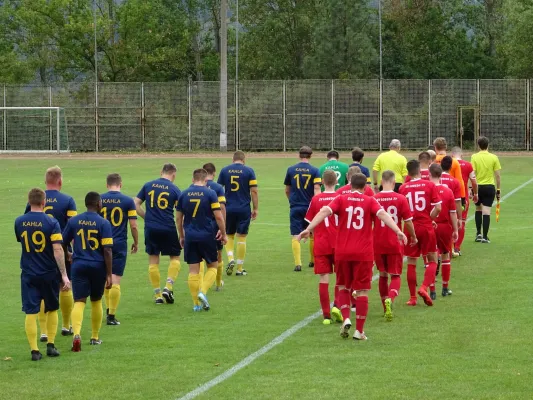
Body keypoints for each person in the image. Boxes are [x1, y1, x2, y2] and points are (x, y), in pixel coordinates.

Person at [299, 173, 407, 341]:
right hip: (363, 253)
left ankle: (346, 317)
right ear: (365, 187)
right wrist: (398, 231)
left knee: (343, 287)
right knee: (362, 291)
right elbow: (383, 215)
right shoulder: (370, 200)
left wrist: (309, 228)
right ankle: (359, 331)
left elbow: (325, 211)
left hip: (342, 252)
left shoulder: (341, 199)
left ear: (349, 186)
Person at [15, 188, 70, 361]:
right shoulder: (51, 222)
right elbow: (57, 249)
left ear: (29, 201)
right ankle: (51, 346)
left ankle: (34, 351)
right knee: (52, 308)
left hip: (28, 273)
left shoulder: (19, 221)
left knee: (30, 312)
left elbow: (21, 241)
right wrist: (64, 274)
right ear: (44, 202)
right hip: (48, 272)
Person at [24, 166, 77, 341]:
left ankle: (44, 331)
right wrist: (72, 250)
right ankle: (66, 325)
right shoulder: (68, 200)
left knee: (40, 292)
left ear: (45, 182)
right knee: (64, 286)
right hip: (60, 250)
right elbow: (72, 228)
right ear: (60, 181)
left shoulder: (33, 202)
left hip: (37, 254)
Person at [62, 192, 113, 352]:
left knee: (79, 301)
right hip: (97, 266)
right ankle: (94, 337)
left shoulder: (74, 221)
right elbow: (107, 251)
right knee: (96, 300)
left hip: (79, 265)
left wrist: (68, 254)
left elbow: (62, 242)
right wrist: (109, 274)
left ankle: (76, 334)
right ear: (98, 204)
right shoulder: (103, 223)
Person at [176, 169, 227, 311]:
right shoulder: (210, 193)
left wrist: (181, 235)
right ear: (205, 180)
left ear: (193, 179)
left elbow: (179, 218)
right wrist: (223, 233)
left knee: (193, 270)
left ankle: (196, 305)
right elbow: (218, 216)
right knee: (213, 266)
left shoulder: (183, 194)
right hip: (206, 235)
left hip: (190, 236)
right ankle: (202, 292)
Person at [134, 163, 182, 304]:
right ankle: (168, 286)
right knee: (175, 257)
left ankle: (157, 295)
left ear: (161, 172)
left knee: (153, 259)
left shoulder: (148, 185)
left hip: (151, 227)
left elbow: (135, 203)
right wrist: (182, 233)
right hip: (168, 227)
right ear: (173, 175)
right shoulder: (174, 189)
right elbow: (180, 213)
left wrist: (146, 217)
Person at [373, 171, 416, 321]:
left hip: (377, 242)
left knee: (383, 275)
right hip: (394, 241)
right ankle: (390, 298)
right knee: (396, 275)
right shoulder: (400, 198)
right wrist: (414, 237)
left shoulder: (374, 198)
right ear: (394, 181)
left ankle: (385, 309)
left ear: (381, 181)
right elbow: (408, 221)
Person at [399, 160, 442, 307]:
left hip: (410, 227)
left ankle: (412, 298)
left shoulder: (403, 188)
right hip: (425, 226)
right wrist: (429, 219)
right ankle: (423, 288)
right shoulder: (429, 185)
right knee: (432, 259)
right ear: (419, 171)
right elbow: (438, 208)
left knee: (411, 261)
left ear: (408, 173)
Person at [100, 173, 139, 325]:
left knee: (105, 277)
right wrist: (136, 242)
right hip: (119, 242)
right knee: (116, 279)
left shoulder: (100, 199)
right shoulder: (128, 201)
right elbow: (134, 225)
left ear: (107, 184)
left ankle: (108, 308)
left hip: (102, 243)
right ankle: (111, 315)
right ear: (120, 184)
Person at [304, 170, 342, 325]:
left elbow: (310, 222)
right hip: (339, 244)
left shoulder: (316, 199)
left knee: (323, 279)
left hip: (321, 243)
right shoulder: (341, 198)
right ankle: (337, 306)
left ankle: (326, 316)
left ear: (323, 182)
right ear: (336, 182)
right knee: (341, 278)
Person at [217, 151, 258, 276]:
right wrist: (255, 208)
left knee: (228, 235)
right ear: (243, 160)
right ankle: (239, 269)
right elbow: (254, 191)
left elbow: (218, 189)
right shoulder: (249, 171)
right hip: (244, 208)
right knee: (242, 236)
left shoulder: (225, 170)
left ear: (233, 159)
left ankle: (230, 259)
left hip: (228, 208)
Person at [284, 146, 322, 272]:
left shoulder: (290, 169)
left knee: (295, 235)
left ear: (299, 155)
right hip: (310, 207)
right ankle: (312, 261)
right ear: (310, 156)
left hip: (295, 206)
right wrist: (316, 204)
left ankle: (298, 264)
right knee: (312, 234)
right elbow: (317, 189)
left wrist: (292, 201)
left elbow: (287, 190)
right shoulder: (315, 170)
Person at [429, 164, 458, 298]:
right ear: (441, 175)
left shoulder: (426, 190)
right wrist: (456, 230)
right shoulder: (448, 191)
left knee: (431, 257)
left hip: (430, 226)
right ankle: (445, 288)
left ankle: (432, 290)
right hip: (445, 227)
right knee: (446, 255)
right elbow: (453, 213)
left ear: (429, 175)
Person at [471, 136, 502, 243]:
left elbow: (473, 174)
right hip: (489, 187)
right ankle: (485, 237)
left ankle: (478, 234)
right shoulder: (494, 157)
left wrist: (472, 188)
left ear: (478, 145)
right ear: (488, 145)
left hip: (478, 187)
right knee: (486, 211)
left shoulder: (474, 157)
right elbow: (497, 176)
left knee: (478, 209)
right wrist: (498, 189)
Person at [203, 163, 227, 291]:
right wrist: (222, 228)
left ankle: (202, 282)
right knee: (218, 254)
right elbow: (222, 208)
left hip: (199, 226)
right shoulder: (218, 188)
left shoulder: (196, 187)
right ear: (214, 173)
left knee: (200, 257)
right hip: (214, 226)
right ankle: (218, 284)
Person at [451, 146, 478, 254]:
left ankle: (449, 247)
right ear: (461, 155)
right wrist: (475, 193)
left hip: (449, 196)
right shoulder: (468, 165)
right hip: (463, 197)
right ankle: (457, 247)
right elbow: (474, 181)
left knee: (449, 221)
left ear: (452, 155)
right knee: (461, 222)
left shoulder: (448, 164)